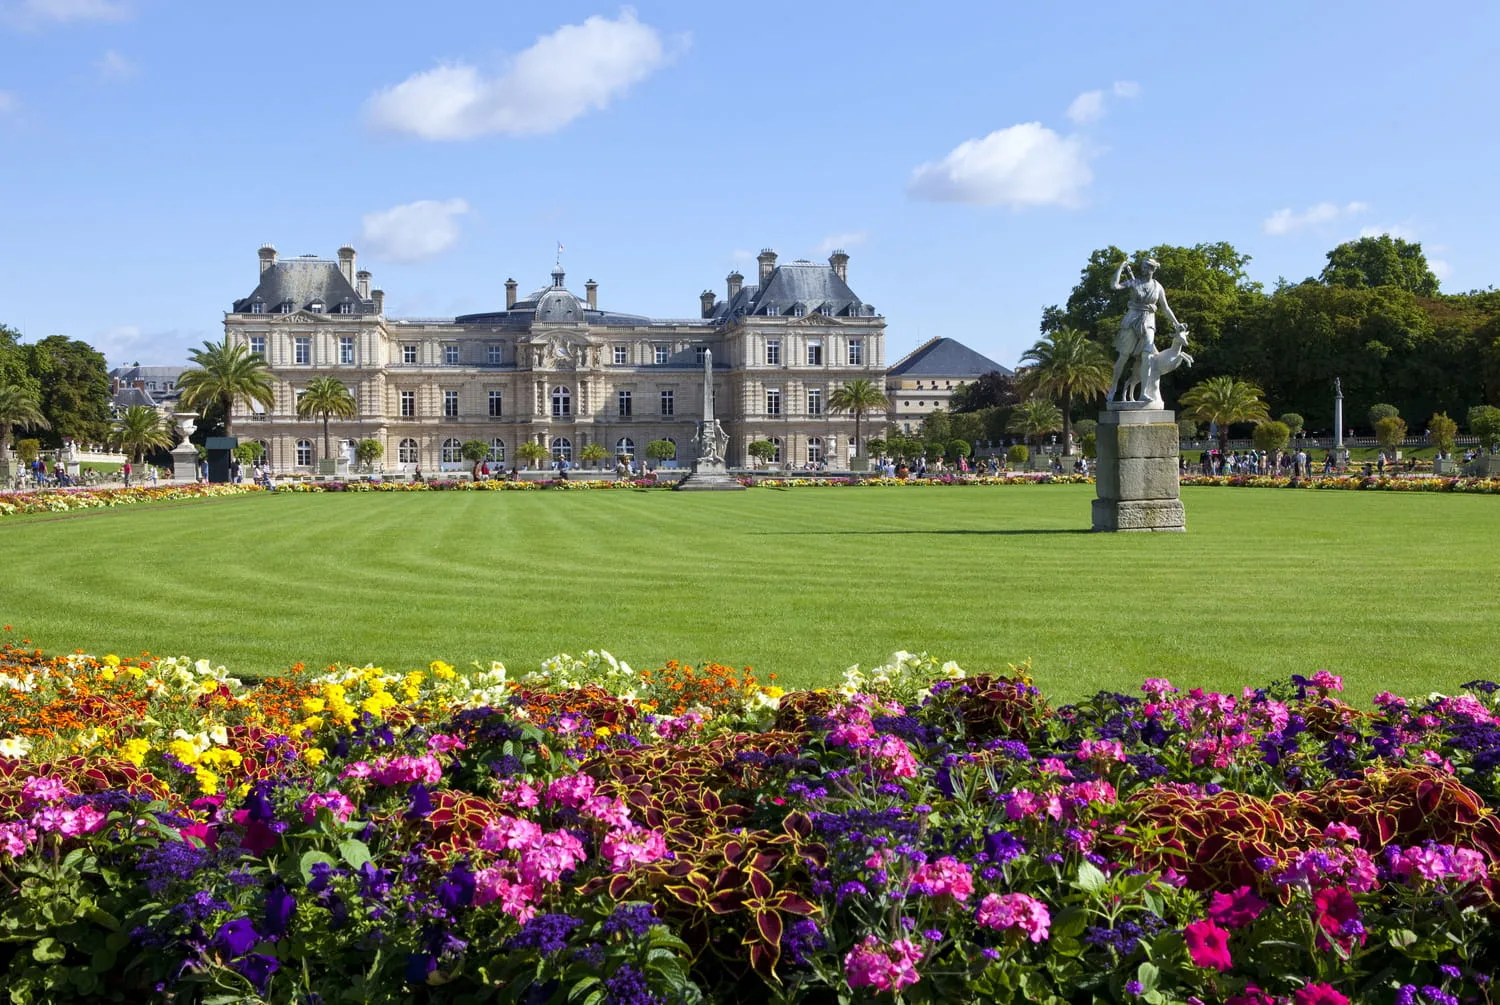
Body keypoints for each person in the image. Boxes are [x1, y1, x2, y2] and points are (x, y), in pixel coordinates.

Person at [1109, 258, 1186, 402]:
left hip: (1149, 322)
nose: (1144, 270)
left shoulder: (1158, 287)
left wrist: (1176, 323)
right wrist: (1120, 268)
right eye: (1143, 267)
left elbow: (1166, 308)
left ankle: (1143, 393)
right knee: (1124, 357)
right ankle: (1113, 387)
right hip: (1132, 320)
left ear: (1152, 269)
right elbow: (1115, 286)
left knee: (1147, 356)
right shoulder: (1134, 282)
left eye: (1147, 267)